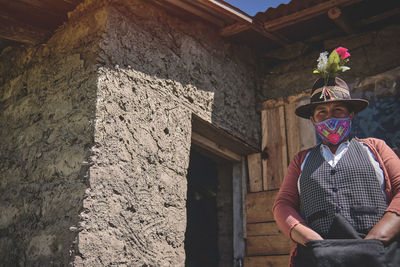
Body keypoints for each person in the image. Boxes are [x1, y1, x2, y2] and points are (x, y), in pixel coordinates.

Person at [273, 47, 400, 267]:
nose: (330, 117)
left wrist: (374, 241)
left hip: (377, 255)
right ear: (313, 120)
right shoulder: (301, 160)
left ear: (351, 115)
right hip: (319, 257)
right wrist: (313, 242)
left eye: (338, 110)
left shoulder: (375, 148)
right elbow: (283, 205)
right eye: (322, 112)